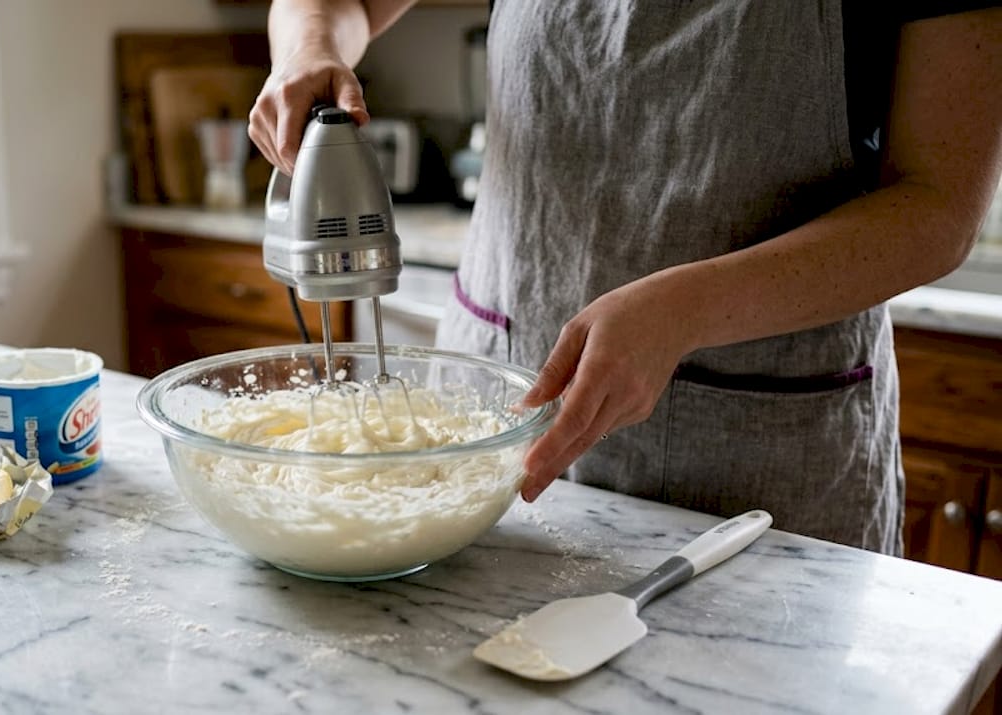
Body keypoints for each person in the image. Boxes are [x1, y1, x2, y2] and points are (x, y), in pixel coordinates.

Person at [248, 0, 1002, 554]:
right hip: (492, 442)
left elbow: (938, 207)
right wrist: (307, 48)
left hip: (757, 474)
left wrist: (687, 308)